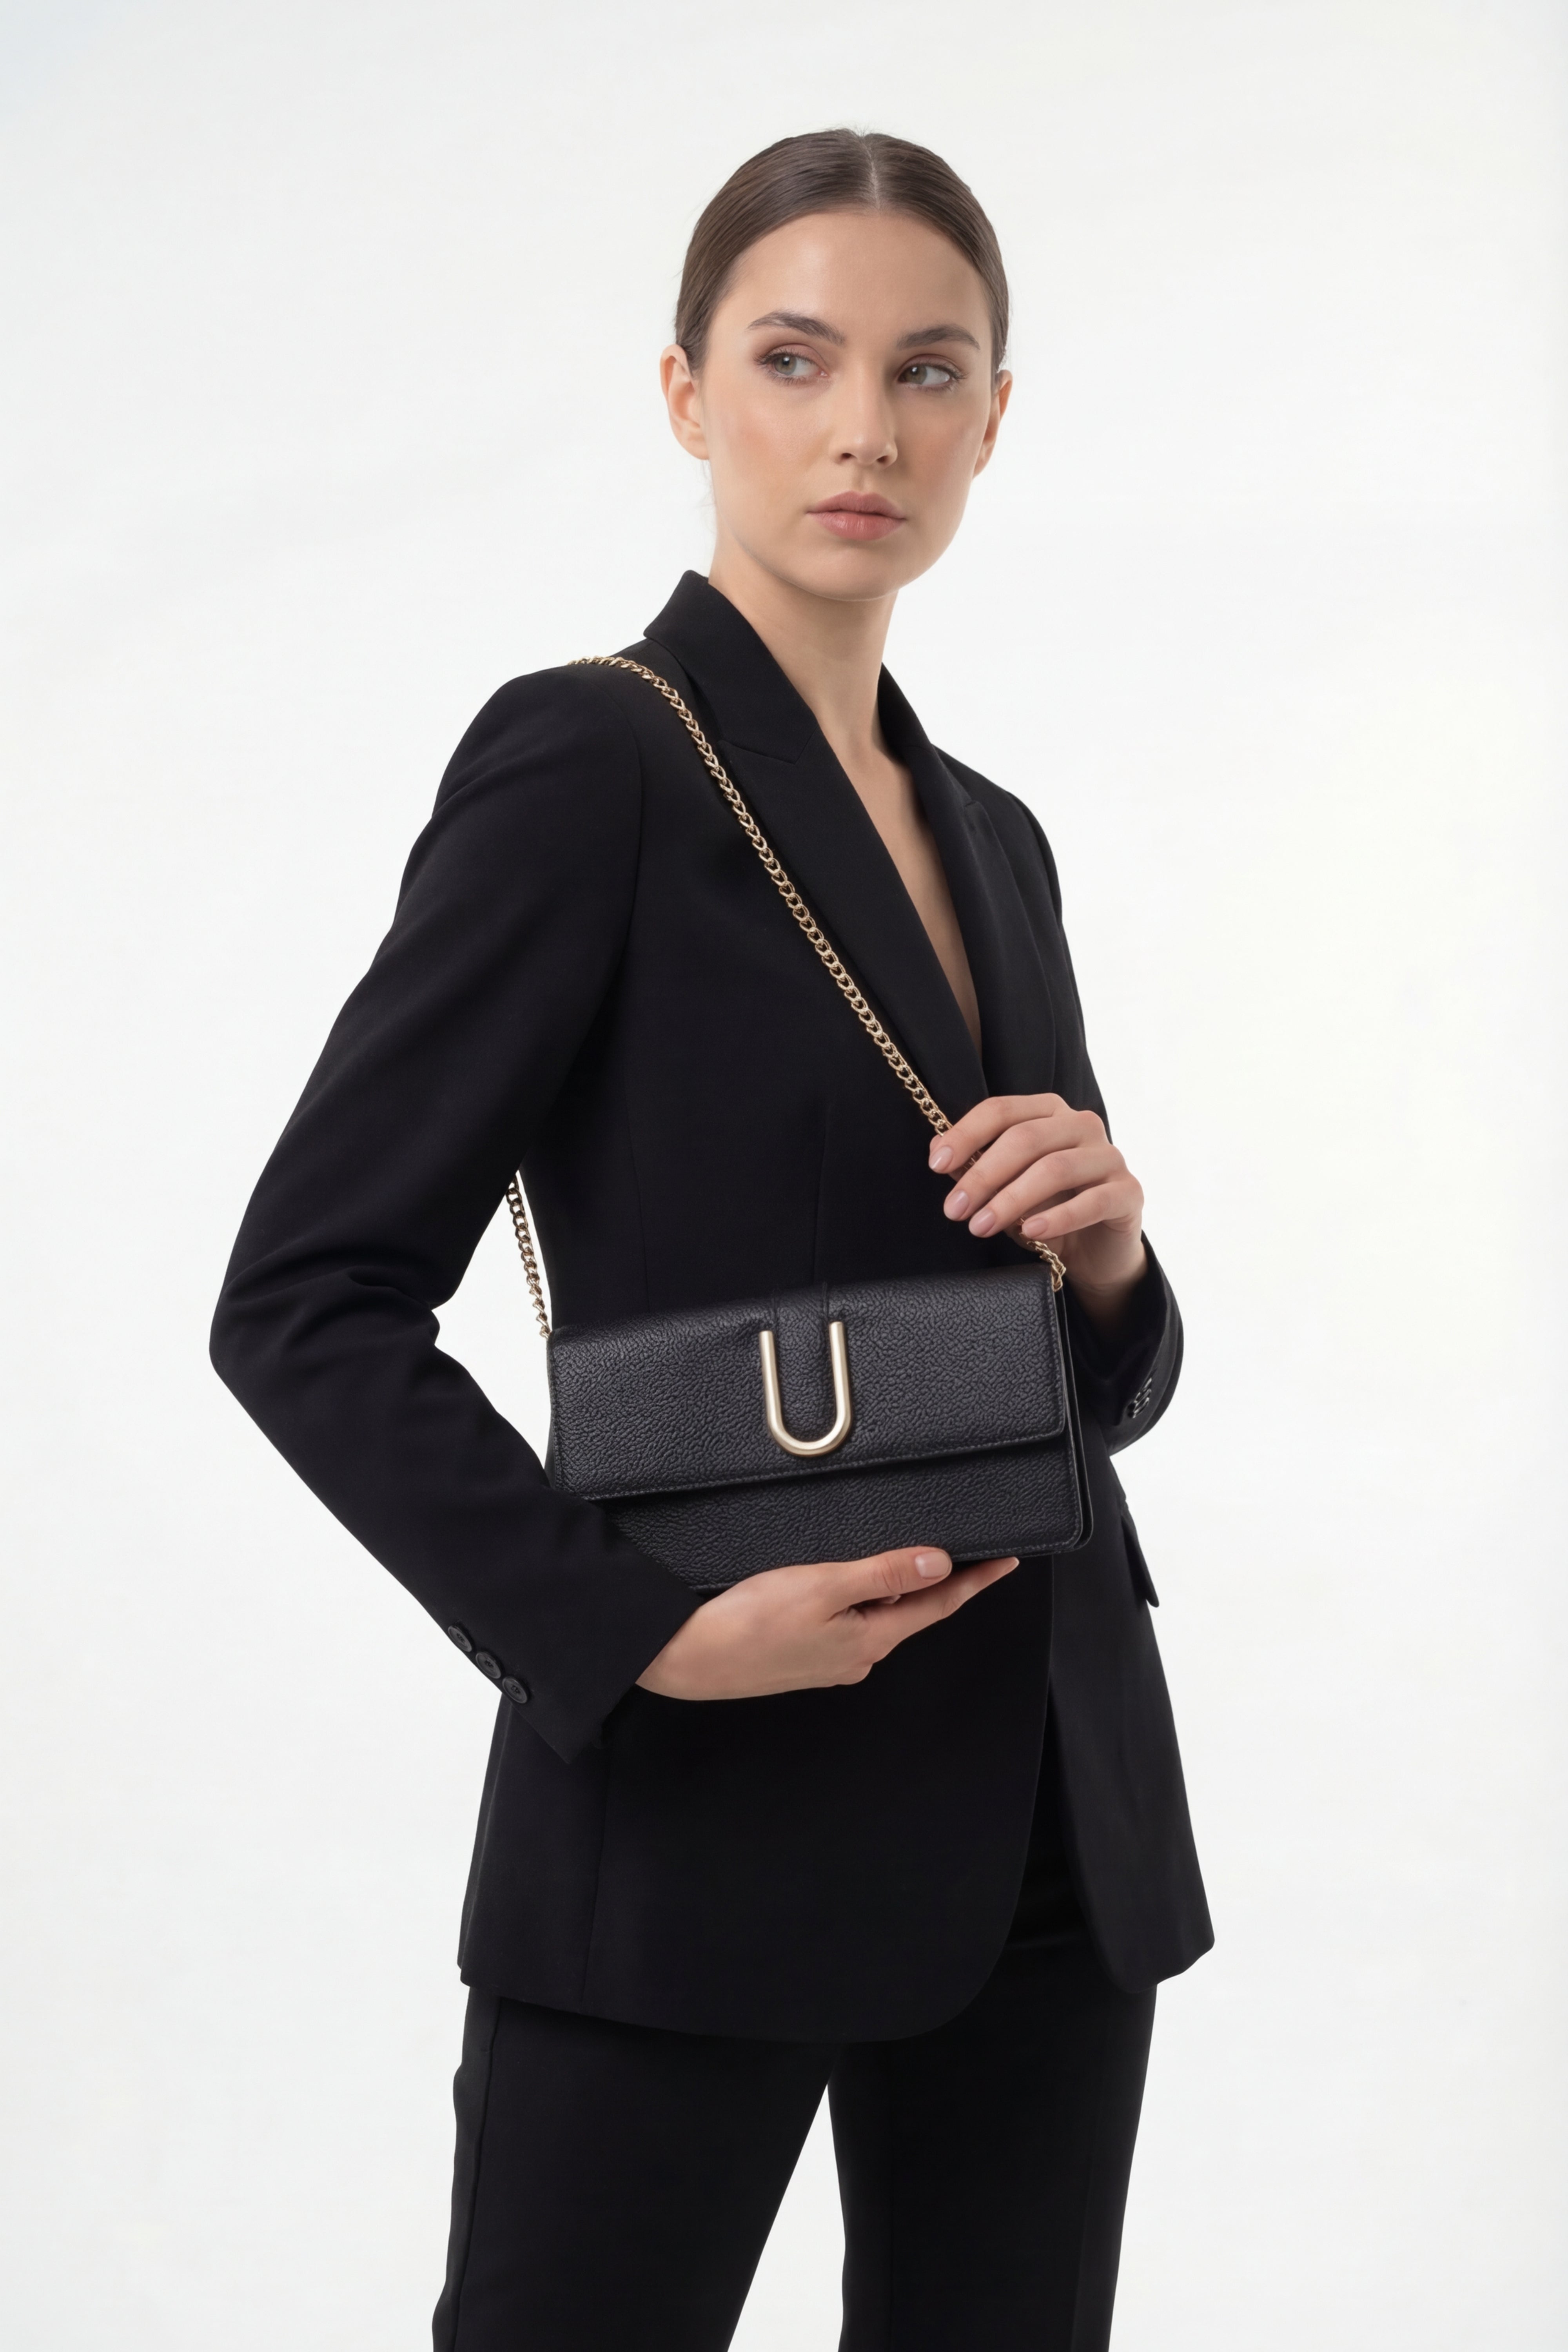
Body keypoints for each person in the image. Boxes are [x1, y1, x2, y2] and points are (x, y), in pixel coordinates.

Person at [211, 127, 1212, 2352]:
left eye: (929, 372)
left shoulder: (998, 838)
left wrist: (1111, 1268)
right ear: (686, 393)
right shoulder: (592, 765)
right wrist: (631, 1633)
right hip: (699, 1816)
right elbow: (305, 1303)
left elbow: (1083, 1384)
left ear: (993, 420)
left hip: (1053, 1817)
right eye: (795, 358)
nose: (867, 430)